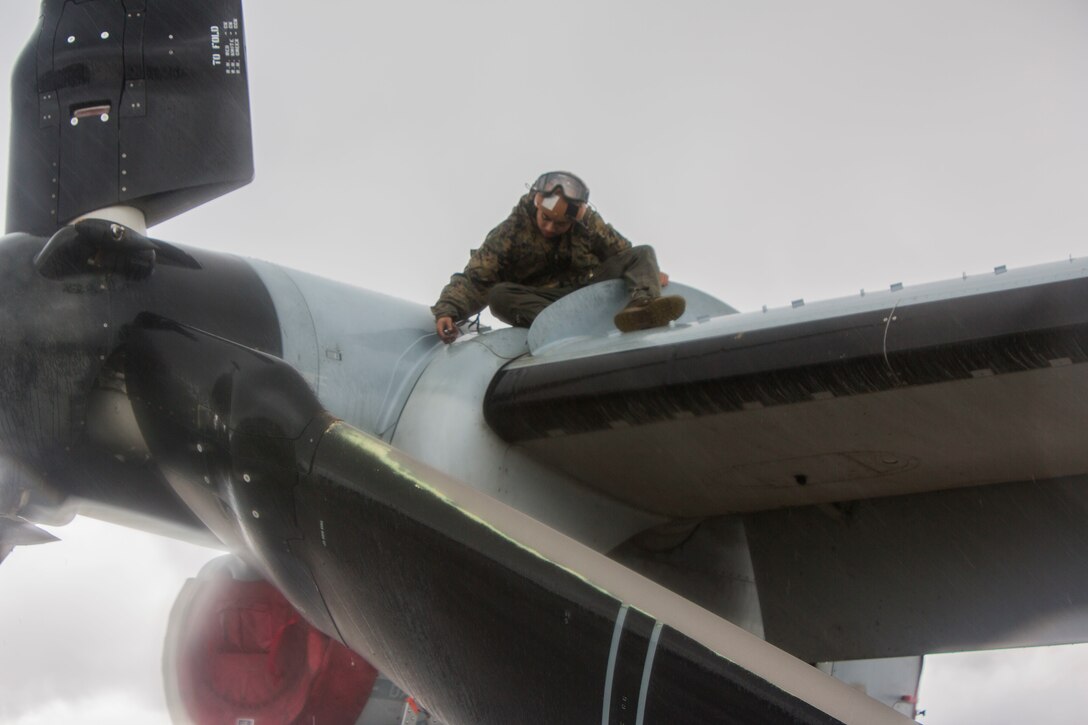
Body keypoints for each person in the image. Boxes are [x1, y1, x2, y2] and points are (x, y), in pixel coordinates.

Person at [431, 171, 685, 344]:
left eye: (561, 224)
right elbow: (477, 278)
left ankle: (642, 307)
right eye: (546, 219)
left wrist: (646, 274)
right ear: (537, 205)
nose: (551, 228)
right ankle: (562, 326)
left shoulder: (587, 224)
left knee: (643, 253)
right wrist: (448, 310)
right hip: (544, 303)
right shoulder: (510, 232)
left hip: (586, 292)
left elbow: (622, 253)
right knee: (499, 296)